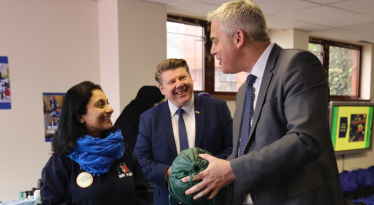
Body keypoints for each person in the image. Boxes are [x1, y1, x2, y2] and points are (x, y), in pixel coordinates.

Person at [182, 1, 344, 205]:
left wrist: (232, 170)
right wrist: (204, 183)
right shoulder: (244, 90)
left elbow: (304, 139)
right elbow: (244, 153)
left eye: (215, 41)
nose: (212, 50)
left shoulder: (297, 64)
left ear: (239, 38)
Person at [134, 59, 233, 205]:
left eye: (182, 78)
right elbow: (141, 159)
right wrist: (172, 173)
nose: (179, 84)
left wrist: (208, 172)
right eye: (171, 82)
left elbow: (233, 148)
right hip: (168, 199)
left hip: (213, 196)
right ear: (161, 89)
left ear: (190, 77)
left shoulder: (217, 108)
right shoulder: (149, 118)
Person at [41, 81, 148, 205]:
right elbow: (52, 202)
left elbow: (141, 192)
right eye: (100, 105)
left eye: (108, 103)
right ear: (80, 117)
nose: (110, 109)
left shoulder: (121, 150)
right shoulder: (62, 160)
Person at [114, 86, 164, 151]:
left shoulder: (140, 114)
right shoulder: (132, 119)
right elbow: (131, 148)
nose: (163, 107)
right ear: (151, 103)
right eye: (160, 103)